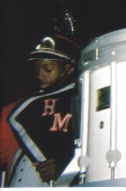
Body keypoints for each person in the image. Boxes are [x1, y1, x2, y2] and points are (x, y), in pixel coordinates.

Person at [0, 34, 81, 187]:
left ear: (69, 68)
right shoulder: (16, 108)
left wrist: (65, 166)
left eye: (48, 69)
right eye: (36, 68)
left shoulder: (83, 102)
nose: (40, 75)